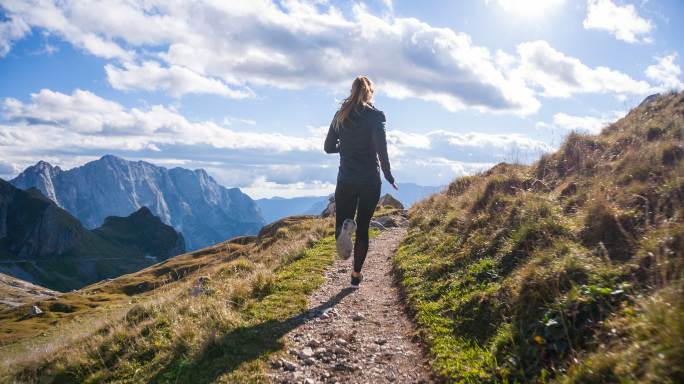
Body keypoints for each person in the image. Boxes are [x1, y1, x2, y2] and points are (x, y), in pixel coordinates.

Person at [324, 76, 397, 288]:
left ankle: (344, 230)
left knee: (343, 221)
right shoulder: (376, 116)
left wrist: (344, 147)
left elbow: (328, 147)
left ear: (352, 91)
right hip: (370, 180)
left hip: (346, 179)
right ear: (369, 92)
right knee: (363, 227)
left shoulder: (340, 115)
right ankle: (356, 275)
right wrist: (388, 175)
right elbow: (381, 149)